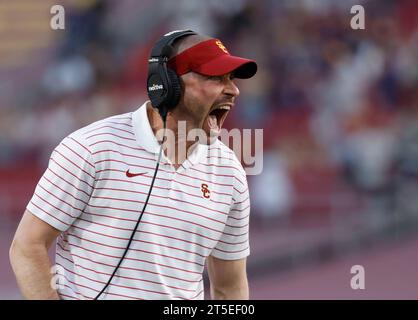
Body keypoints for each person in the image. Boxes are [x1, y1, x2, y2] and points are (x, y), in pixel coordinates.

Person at [9, 30, 257, 300]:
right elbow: (27, 246)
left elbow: (229, 288)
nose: (233, 90)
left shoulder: (229, 171)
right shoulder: (92, 148)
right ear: (167, 84)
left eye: (231, 79)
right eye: (216, 77)